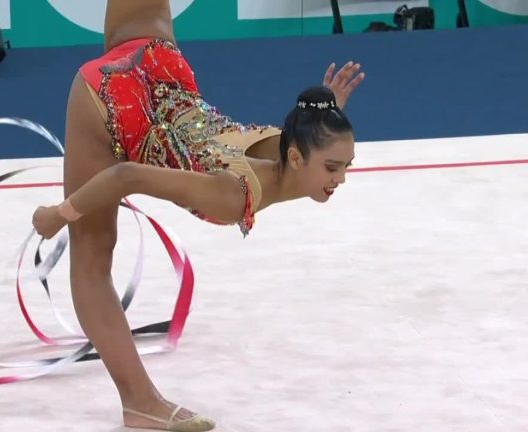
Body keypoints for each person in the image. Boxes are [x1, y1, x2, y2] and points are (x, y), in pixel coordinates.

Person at [32, 1, 364, 431]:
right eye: (333, 168)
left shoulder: (291, 140)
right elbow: (125, 176)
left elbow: (309, 136)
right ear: (299, 158)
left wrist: (328, 110)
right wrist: (59, 215)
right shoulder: (231, 196)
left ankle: (139, 399)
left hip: (157, 58)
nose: (339, 180)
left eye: (345, 167)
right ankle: (140, 402)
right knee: (92, 259)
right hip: (111, 103)